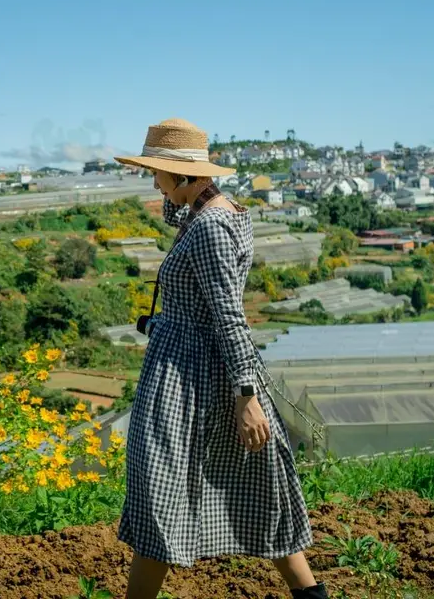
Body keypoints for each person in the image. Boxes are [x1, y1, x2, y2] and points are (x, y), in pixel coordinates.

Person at [113, 118, 327, 599]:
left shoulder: (208, 226)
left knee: (159, 492)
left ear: (183, 176)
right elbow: (184, 219)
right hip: (201, 369)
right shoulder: (214, 211)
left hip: (189, 376)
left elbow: (230, 316)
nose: (152, 181)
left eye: (157, 172)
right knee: (258, 486)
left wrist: (246, 396)